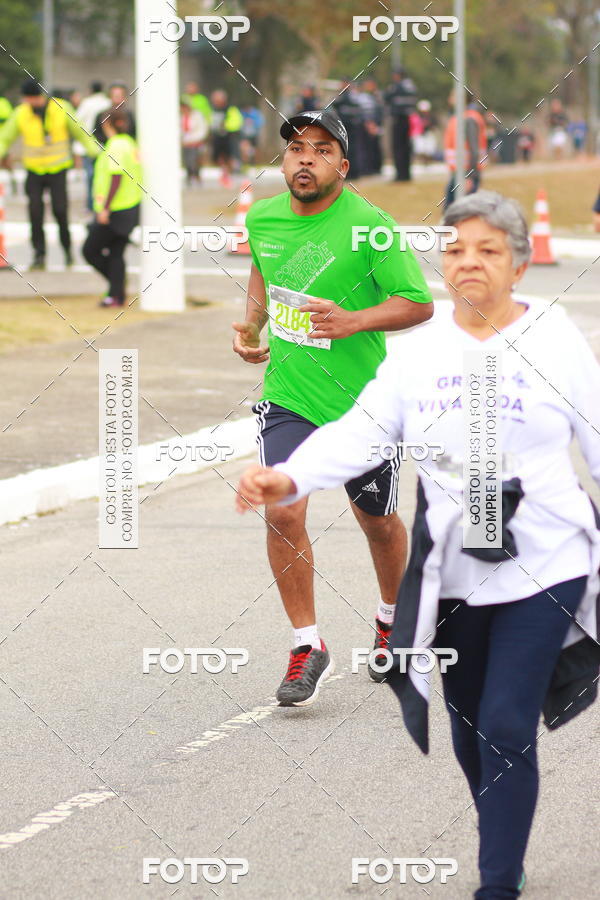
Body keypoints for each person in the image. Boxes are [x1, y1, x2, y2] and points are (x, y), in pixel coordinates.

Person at [236, 190, 600, 899]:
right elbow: (363, 430)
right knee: (467, 724)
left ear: (519, 265)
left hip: (545, 562)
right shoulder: (420, 354)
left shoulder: (556, 339)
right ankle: (501, 830)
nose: (471, 262)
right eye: (458, 249)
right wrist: (286, 477)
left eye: (489, 250)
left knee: (502, 720)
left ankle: (497, 881)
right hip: (455, 570)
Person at [232, 108, 433, 706]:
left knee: (376, 521)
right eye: (296, 148)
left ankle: (392, 618)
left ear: (342, 166)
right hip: (289, 395)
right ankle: (306, 644)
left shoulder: (370, 225)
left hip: (363, 404)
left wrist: (354, 321)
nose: (305, 158)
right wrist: (251, 326)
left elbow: (417, 302)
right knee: (284, 508)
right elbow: (262, 272)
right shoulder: (263, 215)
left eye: (321, 150)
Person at [0, 79, 100, 269]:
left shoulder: (61, 108)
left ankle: (67, 252)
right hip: (34, 170)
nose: (28, 102)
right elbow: (5, 138)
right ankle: (39, 256)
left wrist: (96, 151)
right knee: (35, 213)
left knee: (60, 211)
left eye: (31, 98)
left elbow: (81, 132)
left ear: (39, 96)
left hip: (58, 169)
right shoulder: (21, 113)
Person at [82, 106, 142, 308]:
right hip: (130, 207)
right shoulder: (129, 143)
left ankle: (116, 287)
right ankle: (117, 294)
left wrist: (105, 208)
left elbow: (116, 177)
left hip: (116, 209)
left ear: (107, 124)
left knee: (89, 250)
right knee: (116, 253)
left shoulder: (115, 145)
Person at [443, 92, 487, 209]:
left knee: (456, 210)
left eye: (453, 95)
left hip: (466, 172)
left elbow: (474, 149)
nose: (450, 98)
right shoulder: (461, 116)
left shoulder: (469, 119)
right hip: (461, 171)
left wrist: (469, 177)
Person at [73, 81, 110, 211]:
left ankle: (90, 204)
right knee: (103, 176)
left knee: (90, 176)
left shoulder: (86, 103)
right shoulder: (107, 102)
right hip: (104, 145)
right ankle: (103, 202)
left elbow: (76, 120)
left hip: (87, 144)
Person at [384, 67, 418, 181]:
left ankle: (400, 175)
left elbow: (386, 97)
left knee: (398, 148)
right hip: (408, 119)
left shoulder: (397, 87)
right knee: (406, 148)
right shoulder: (411, 86)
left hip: (399, 120)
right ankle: (406, 174)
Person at [331, 78, 367, 179]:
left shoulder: (346, 96)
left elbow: (336, 104)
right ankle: (353, 172)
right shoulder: (352, 95)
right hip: (350, 126)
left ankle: (352, 173)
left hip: (349, 127)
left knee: (350, 149)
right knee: (350, 149)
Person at [209, 89, 243, 187]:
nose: (215, 102)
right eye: (214, 100)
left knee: (229, 157)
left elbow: (237, 122)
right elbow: (210, 120)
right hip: (217, 137)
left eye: (217, 100)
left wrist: (225, 126)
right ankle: (224, 174)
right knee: (219, 157)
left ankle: (229, 175)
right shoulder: (213, 109)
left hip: (229, 136)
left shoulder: (231, 109)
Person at [180, 97, 208, 185]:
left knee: (195, 160)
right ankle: (189, 176)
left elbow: (202, 130)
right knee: (187, 160)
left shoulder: (197, 116)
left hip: (196, 142)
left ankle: (196, 176)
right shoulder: (181, 117)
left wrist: (193, 140)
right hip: (185, 143)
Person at [239, 103, 264, 168]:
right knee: (244, 149)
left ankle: (256, 164)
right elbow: (239, 123)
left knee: (255, 150)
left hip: (254, 134)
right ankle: (245, 164)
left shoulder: (255, 113)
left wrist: (253, 122)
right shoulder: (242, 113)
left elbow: (261, 122)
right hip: (245, 135)